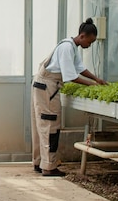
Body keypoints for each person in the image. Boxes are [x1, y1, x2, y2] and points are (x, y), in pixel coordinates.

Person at [31, 18, 108, 177]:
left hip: (44, 85)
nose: (90, 45)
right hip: (48, 87)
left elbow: (79, 68)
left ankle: (40, 162)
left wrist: (96, 79)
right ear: (83, 36)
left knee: (43, 125)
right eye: (90, 42)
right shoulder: (67, 48)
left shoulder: (70, 45)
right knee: (50, 126)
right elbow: (70, 76)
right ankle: (48, 167)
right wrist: (91, 85)